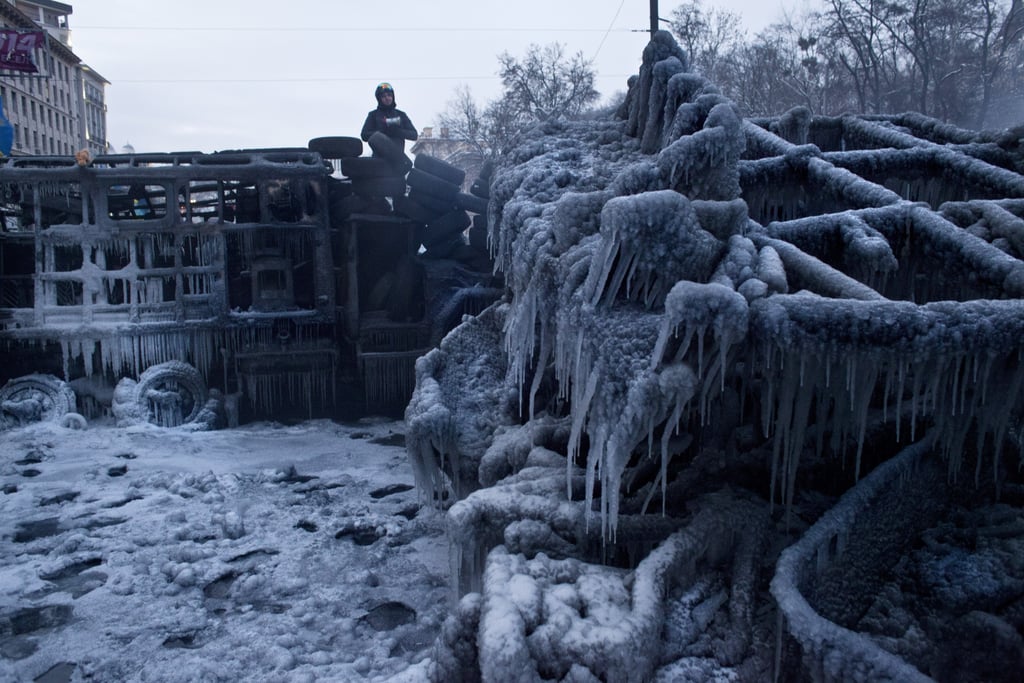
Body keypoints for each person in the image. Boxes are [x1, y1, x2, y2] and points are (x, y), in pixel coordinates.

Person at [360, 82, 417, 152]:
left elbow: (414, 135)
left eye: (389, 95)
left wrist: (397, 131)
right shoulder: (373, 115)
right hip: (379, 157)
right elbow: (364, 135)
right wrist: (382, 132)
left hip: (397, 157)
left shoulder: (401, 115)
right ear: (379, 99)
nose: (387, 98)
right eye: (383, 96)